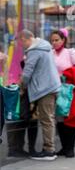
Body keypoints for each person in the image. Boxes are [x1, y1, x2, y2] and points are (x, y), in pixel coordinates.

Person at [18, 29, 61, 161]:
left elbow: (27, 73)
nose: (22, 45)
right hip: (50, 86)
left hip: (45, 89)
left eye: (21, 42)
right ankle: (49, 149)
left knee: (46, 119)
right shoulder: (43, 46)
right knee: (49, 118)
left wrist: (21, 87)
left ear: (26, 39)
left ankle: (49, 151)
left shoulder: (35, 50)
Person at [51, 28, 75, 158]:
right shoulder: (51, 54)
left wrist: (68, 73)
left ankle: (70, 148)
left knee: (69, 119)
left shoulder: (70, 53)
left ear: (63, 40)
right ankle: (64, 147)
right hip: (55, 89)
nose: (54, 43)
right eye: (52, 40)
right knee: (59, 119)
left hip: (68, 90)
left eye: (57, 40)